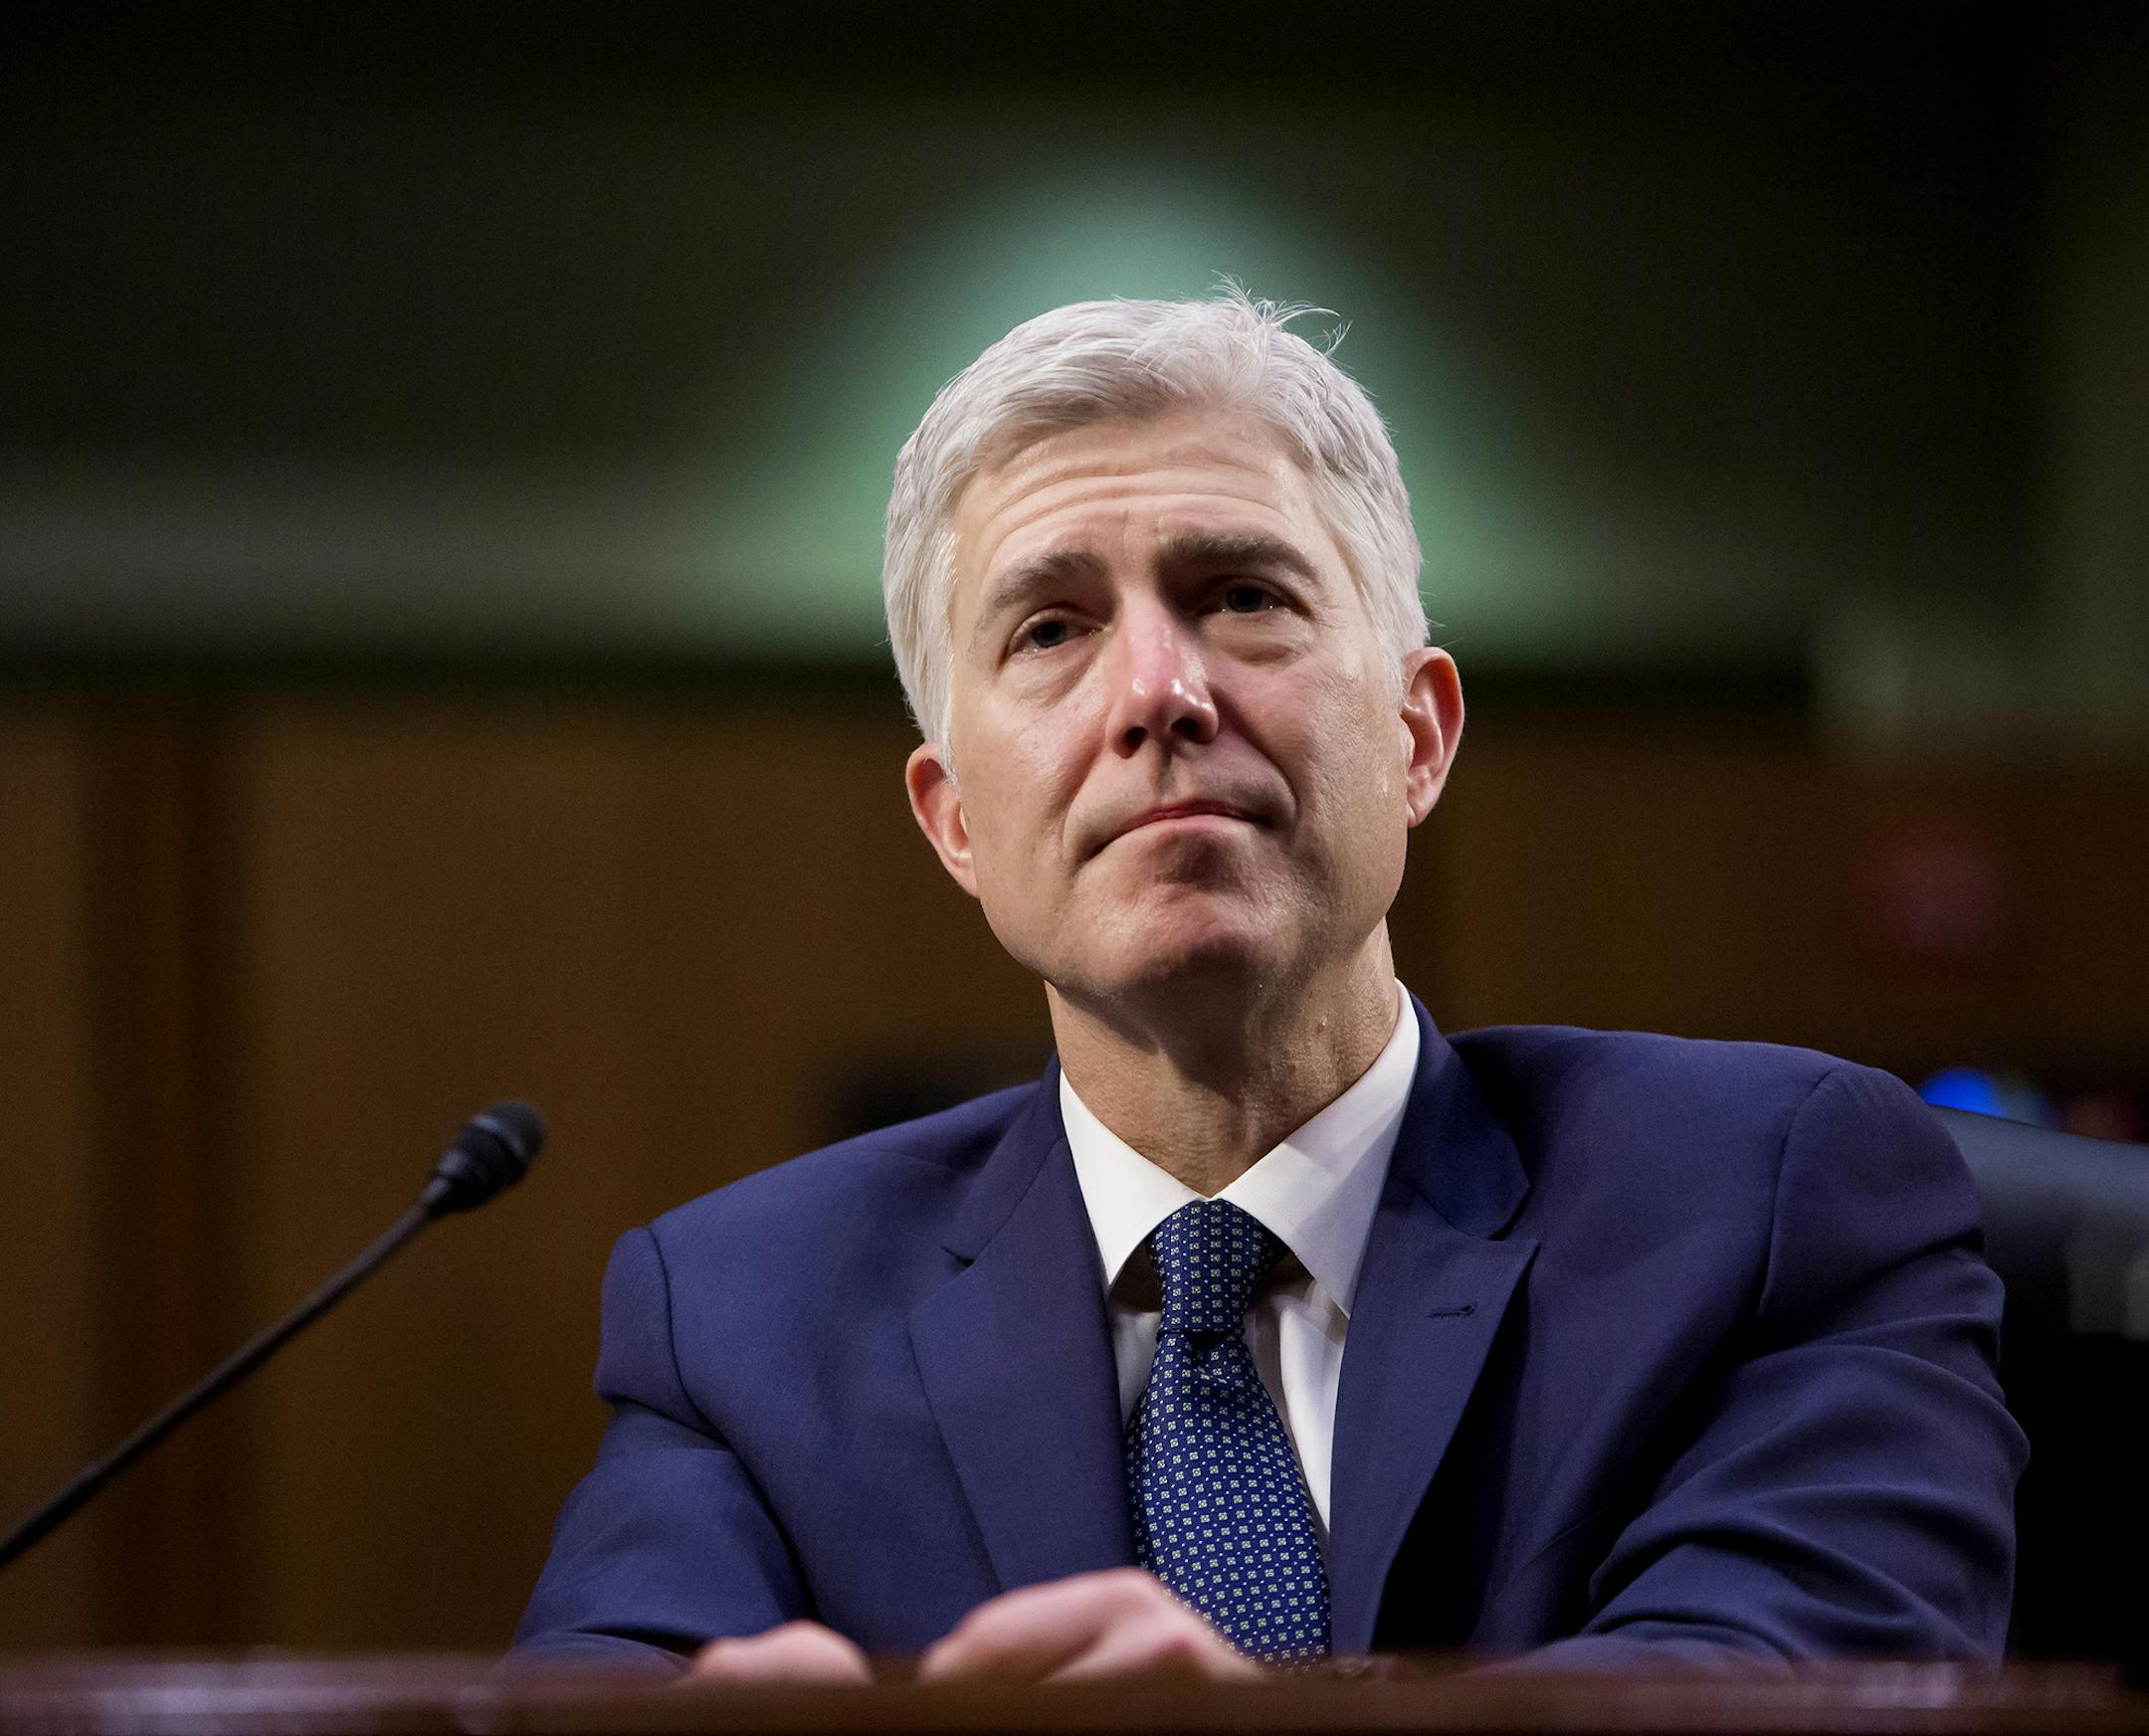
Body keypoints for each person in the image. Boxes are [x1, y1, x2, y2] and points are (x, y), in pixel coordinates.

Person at [511, 292, 2026, 1680]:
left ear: (1419, 738)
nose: (1158, 693)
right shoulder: (742, 1317)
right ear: (956, 822)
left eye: (1241, 593)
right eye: (1051, 628)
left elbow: (1773, 1693)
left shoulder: (1769, 1206)